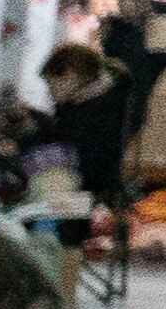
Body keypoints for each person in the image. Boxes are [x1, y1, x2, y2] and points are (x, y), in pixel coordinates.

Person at [39, 44, 134, 200]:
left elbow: (93, 157)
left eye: (52, 83)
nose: (51, 92)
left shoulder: (108, 107)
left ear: (70, 75)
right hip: (84, 189)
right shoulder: (74, 103)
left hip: (96, 193)